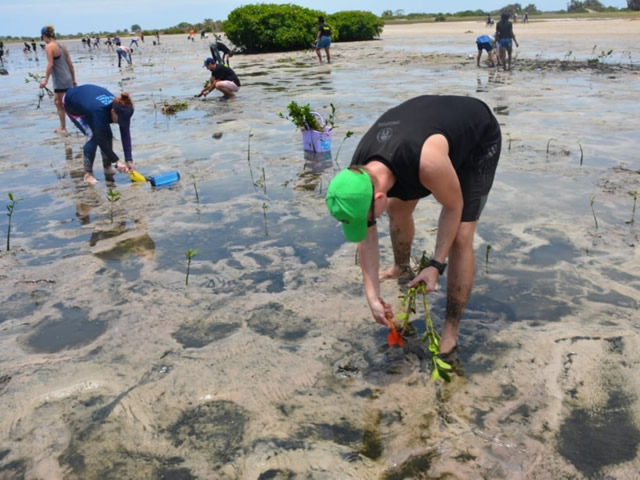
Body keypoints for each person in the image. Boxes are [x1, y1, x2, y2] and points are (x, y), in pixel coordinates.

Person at [325, 95, 501, 358]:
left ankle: (450, 333)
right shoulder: (358, 174)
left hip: (477, 138)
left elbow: (453, 207)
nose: (370, 224)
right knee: (397, 208)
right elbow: (368, 235)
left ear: (378, 197)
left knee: (461, 237)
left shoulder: (426, 162)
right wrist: (372, 296)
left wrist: (436, 265)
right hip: (426, 131)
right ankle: (401, 267)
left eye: (369, 218)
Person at [63, 84, 136, 184]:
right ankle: (88, 175)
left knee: (108, 135)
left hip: (89, 100)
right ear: (113, 112)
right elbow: (101, 139)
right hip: (72, 103)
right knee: (93, 137)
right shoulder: (99, 111)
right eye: (120, 120)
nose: (121, 123)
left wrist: (129, 160)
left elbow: (125, 134)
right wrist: (117, 161)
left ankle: (107, 168)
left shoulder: (122, 108)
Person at [40, 25, 77, 135]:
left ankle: (66, 127)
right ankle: (63, 126)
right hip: (68, 78)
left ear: (44, 36)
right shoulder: (62, 46)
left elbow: (50, 64)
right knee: (58, 102)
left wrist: (45, 80)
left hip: (60, 79)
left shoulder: (49, 47)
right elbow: (70, 64)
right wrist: (74, 79)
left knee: (62, 104)